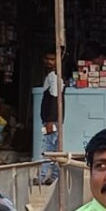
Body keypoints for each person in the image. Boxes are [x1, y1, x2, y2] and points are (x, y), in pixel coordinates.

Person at [39, 50, 61, 184]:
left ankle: (43, 176)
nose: (49, 62)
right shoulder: (50, 76)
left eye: (52, 59)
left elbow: (54, 99)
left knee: (48, 147)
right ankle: (53, 175)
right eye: (47, 59)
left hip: (51, 120)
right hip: (51, 119)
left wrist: (50, 120)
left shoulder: (54, 77)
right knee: (54, 147)